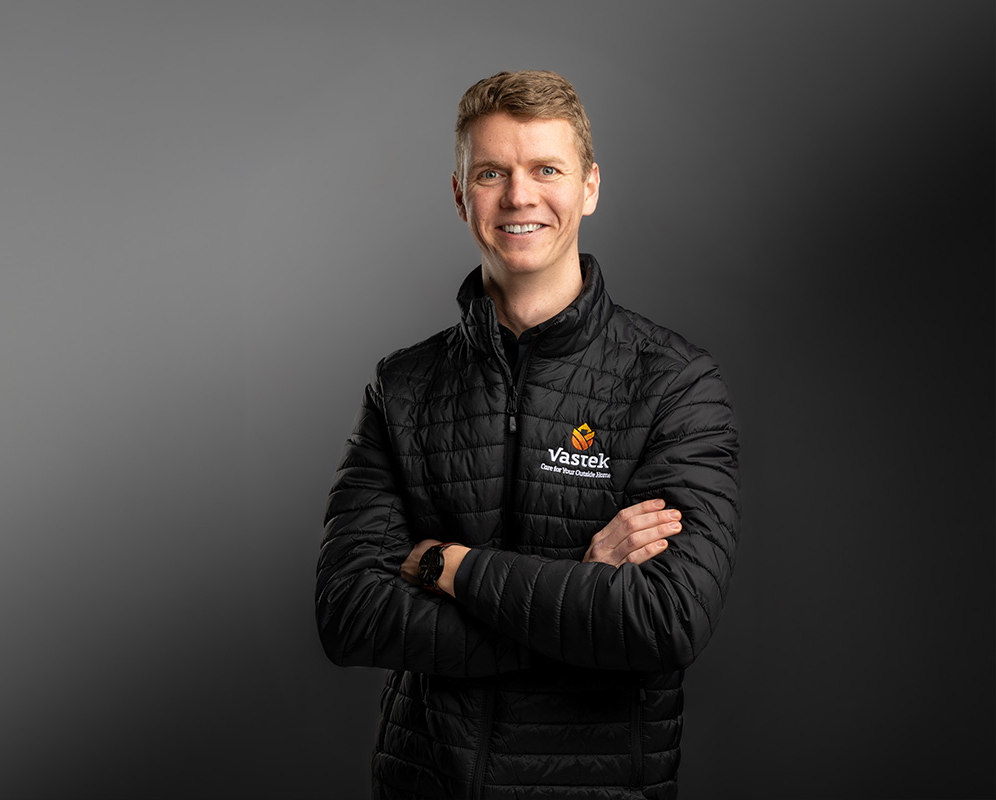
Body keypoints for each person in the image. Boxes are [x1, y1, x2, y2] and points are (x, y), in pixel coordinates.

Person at [315, 70, 740, 800]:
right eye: (491, 173)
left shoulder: (674, 383)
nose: (519, 196)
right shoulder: (403, 386)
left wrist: (447, 566)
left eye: (547, 169)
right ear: (461, 196)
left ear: (589, 188)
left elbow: (664, 621)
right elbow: (349, 613)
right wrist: (580, 591)